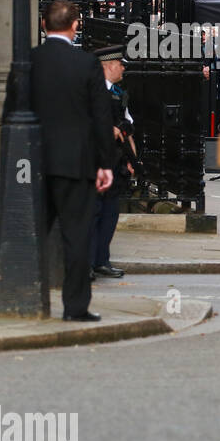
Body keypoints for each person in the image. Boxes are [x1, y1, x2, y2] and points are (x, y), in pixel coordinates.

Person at [22, 0, 114, 321]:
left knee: (30, 235)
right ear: (75, 25)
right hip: (76, 164)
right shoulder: (86, 63)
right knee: (77, 238)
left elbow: (12, 112)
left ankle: (25, 298)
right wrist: (105, 164)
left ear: (44, 26)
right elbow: (102, 117)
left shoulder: (28, 61)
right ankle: (75, 308)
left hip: (33, 164)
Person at [91, 51, 136, 280]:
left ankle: (102, 260)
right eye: (121, 64)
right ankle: (88, 263)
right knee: (93, 213)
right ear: (108, 66)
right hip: (94, 160)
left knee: (109, 214)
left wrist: (130, 160)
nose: (123, 69)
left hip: (115, 160)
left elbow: (129, 125)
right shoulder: (91, 91)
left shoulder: (119, 95)